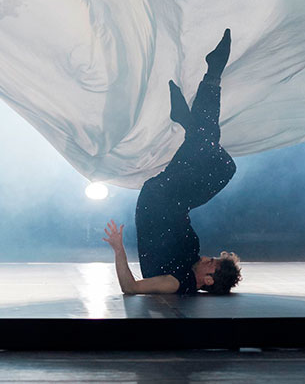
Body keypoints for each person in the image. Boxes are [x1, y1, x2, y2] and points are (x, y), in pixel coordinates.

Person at [102, 29, 242, 295]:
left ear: (209, 280)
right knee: (222, 164)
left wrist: (119, 248)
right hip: (175, 200)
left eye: (210, 263)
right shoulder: (189, 266)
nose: (206, 259)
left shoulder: (177, 281)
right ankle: (191, 112)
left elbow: (130, 288)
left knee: (208, 145)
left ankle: (212, 75)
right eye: (211, 258)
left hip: (160, 200)